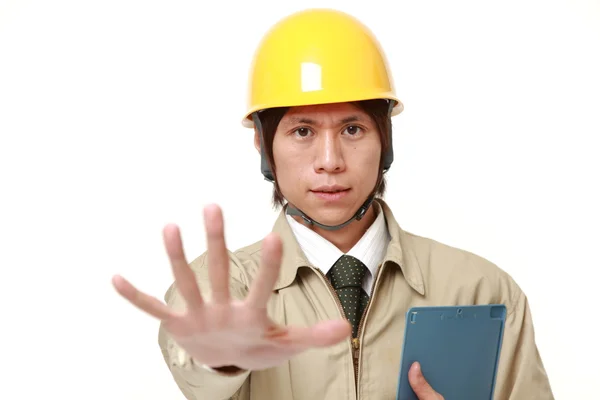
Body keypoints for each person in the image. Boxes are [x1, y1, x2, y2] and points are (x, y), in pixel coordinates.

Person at [112, 8, 554, 400]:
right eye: (302, 131)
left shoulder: (481, 291)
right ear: (263, 146)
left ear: (385, 140)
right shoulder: (226, 290)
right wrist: (219, 355)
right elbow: (196, 366)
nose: (330, 162)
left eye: (353, 129)